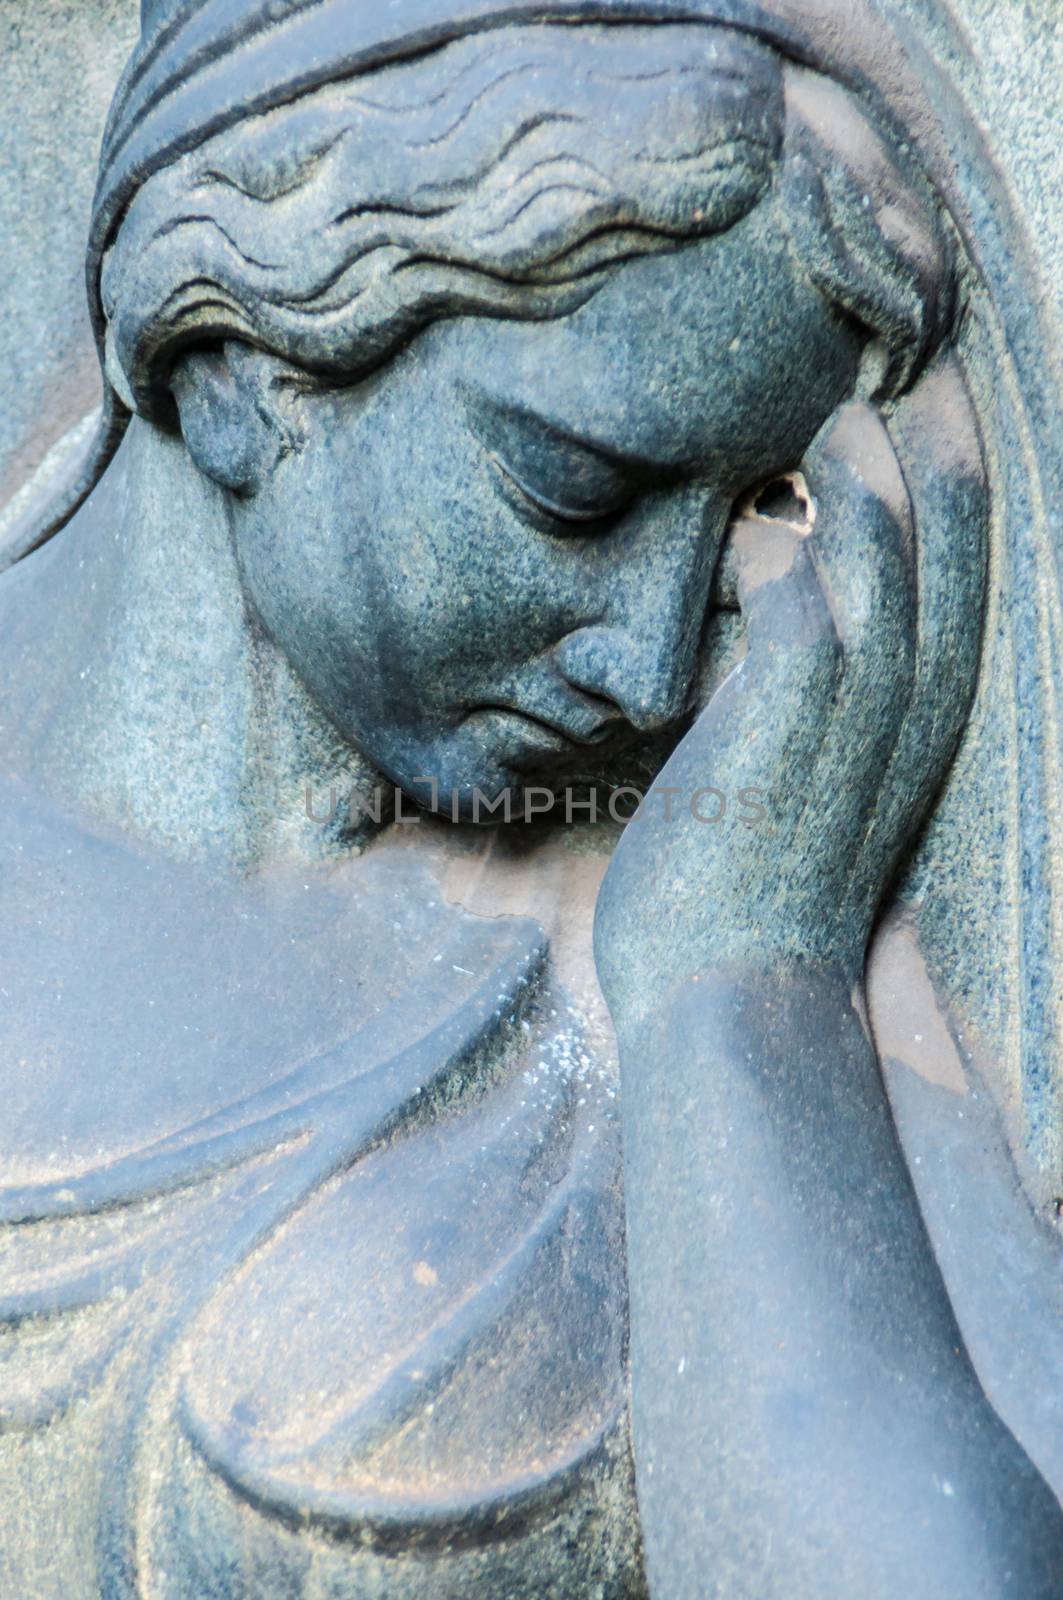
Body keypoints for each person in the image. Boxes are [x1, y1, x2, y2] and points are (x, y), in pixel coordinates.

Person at [1, 3, 1061, 1596]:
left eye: (745, 518)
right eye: (578, 491)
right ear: (234, 374)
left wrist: (741, 994)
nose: (649, 668)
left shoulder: (729, 909)